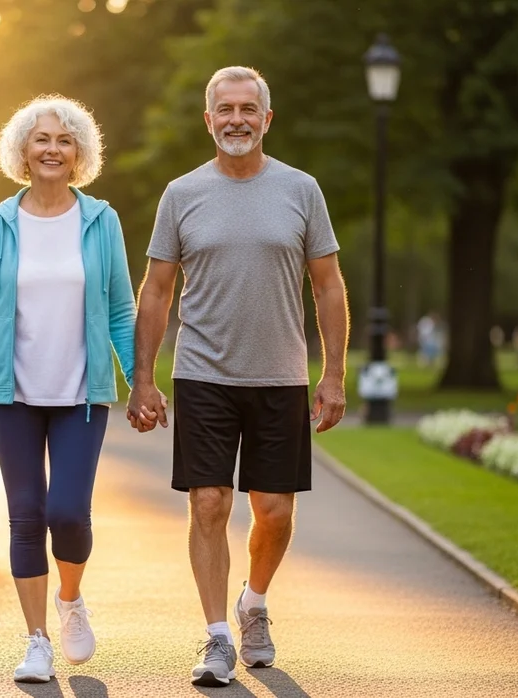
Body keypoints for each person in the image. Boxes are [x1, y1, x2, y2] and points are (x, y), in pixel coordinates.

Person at [128, 66, 349, 688]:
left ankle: (252, 604)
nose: (236, 120)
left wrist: (332, 375)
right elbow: (157, 291)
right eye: (224, 109)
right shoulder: (181, 194)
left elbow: (328, 285)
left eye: (248, 109)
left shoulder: (302, 190)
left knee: (274, 511)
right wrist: (144, 378)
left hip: (280, 375)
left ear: (267, 118)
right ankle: (217, 637)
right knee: (209, 503)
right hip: (203, 374)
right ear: (208, 120)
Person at [0, 95, 137, 684]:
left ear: (79, 153)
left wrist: (143, 383)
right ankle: (37, 641)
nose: (52, 149)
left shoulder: (100, 220)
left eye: (63, 141)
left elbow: (122, 311)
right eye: (41, 140)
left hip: (82, 395)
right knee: (26, 516)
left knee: (68, 512)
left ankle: (71, 599)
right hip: (11, 397)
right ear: (22, 153)